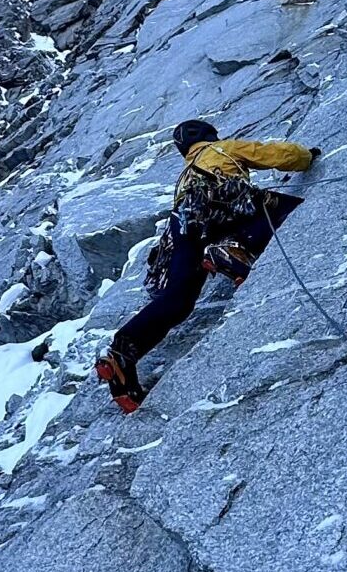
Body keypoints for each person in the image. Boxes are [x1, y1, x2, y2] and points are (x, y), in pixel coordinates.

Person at [94, 120, 318, 412]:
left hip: (183, 223)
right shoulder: (223, 149)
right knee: (279, 205)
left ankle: (122, 352)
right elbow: (279, 155)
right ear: (208, 135)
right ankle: (232, 248)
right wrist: (307, 157)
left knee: (178, 299)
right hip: (223, 204)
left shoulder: (184, 176)